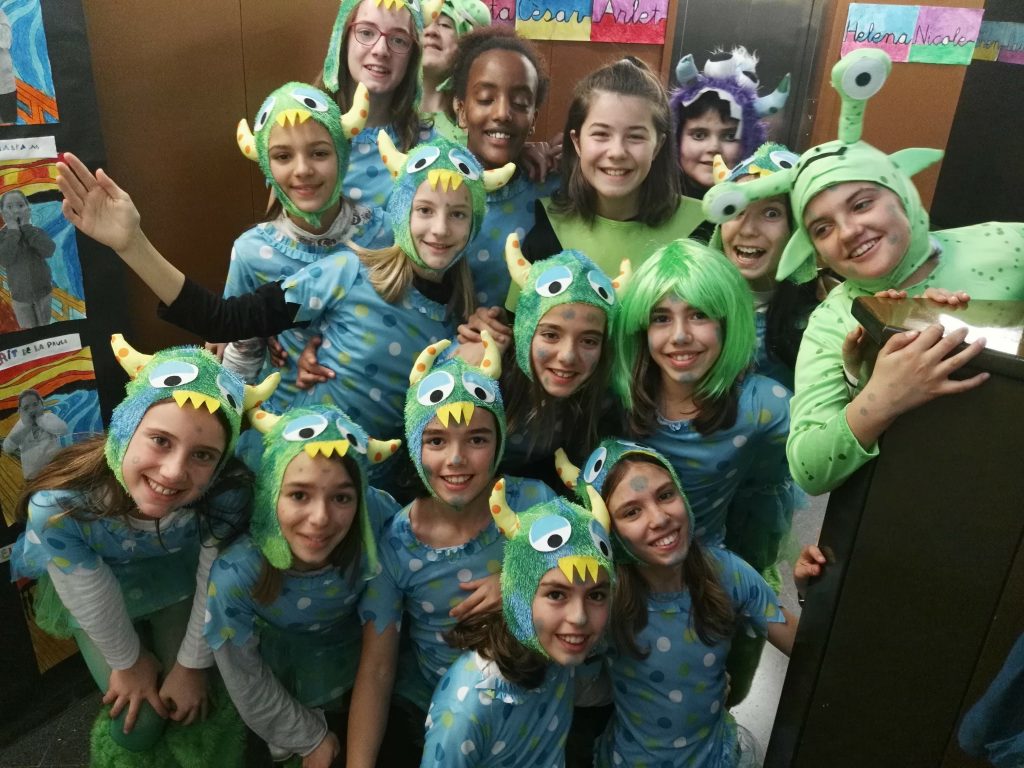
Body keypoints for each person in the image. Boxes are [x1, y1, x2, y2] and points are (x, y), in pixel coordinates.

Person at [702, 48, 1024, 496]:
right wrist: (880, 396)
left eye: (861, 204)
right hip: (906, 508)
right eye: (823, 228)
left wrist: (996, 322)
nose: (850, 231)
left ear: (900, 191)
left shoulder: (1006, 243)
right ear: (813, 249)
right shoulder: (835, 320)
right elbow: (807, 469)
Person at [54, 134, 512, 447]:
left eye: (458, 214)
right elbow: (224, 320)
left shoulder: (462, 315)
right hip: (296, 463)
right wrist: (132, 245)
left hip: (377, 492)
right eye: (424, 209)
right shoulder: (348, 271)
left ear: (473, 226)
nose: (439, 229)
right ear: (400, 213)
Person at [9, 335, 277, 764]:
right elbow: (88, 592)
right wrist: (128, 662)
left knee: (190, 709)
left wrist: (191, 665)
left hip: (175, 577)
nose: (172, 473)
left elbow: (212, 574)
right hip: (96, 590)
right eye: (160, 440)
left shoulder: (225, 495)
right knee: (138, 727)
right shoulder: (60, 508)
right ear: (126, 430)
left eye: (203, 455)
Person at [348, 335, 557, 767]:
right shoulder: (396, 543)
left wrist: (522, 582)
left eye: (476, 440)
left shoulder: (535, 504)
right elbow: (377, 670)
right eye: (437, 441)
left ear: (499, 442)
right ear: (414, 445)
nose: (456, 459)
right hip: (440, 722)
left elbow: (594, 583)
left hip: (536, 708)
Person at [610, 240, 797, 703]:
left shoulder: (762, 403)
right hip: (614, 576)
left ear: (727, 321)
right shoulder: (616, 390)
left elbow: (824, 451)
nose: (679, 335)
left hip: (703, 574)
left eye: (698, 315)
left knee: (711, 689)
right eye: (661, 318)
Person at [562, 439, 797, 767]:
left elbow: (806, 647)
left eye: (665, 495)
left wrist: (818, 595)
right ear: (610, 532)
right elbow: (564, 680)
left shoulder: (726, 572)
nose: (659, 518)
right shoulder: (605, 600)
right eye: (632, 512)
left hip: (716, 754)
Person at [204, 404, 400, 767]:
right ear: (270, 496)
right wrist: (307, 737)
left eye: (341, 497)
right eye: (298, 495)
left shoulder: (377, 520)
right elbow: (244, 677)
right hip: (275, 675)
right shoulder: (235, 573)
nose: (320, 518)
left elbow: (380, 662)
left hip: (359, 658)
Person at [420, 478, 614, 767]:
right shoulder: (467, 707)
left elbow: (596, 690)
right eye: (556, 594)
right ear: (518, 595)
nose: (579, 617)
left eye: (596, 595)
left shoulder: (557, 651)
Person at [220, 80, 385, 408]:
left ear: (342, 156)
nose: (303, 170)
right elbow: (242, 357)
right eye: (283, 156)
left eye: (319, 153)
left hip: (376, 417)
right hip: (285, 422)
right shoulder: (250, 253)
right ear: (267, 166)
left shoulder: (385, 232)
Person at [515, 56, 703, 287]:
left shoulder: (701, 231)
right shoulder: (547, 234)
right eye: (601, 134)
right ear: (577, 142)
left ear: (658, 146)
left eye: (635, 137)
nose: (617, 152)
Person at [461, 237, 627, 482]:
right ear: (525, 332)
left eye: (589, 341)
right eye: (550, 335)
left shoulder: (601, 398)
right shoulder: (480, 369)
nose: (568, 356)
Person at [448, 26, 559, 309]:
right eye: (486, 99)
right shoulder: (433, 186)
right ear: (461, 110)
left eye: (520, 103)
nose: (502, 114)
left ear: (534, 118)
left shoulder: (552, 189)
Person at [710, 142, 820, 390]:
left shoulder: (819, 320)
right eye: (735, 210)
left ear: (798, 229)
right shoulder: (692, 302)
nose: (748, 230)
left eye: (771, 213)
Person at [320, 0, 442, 208]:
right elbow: (279, 221)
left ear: (413, 56)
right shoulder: (305, 124)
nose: (381, 50)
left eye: (399, 40)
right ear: (343, 38)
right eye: (366, 32)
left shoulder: (430, 149)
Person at [671, 47, 788, 242]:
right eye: (699, 135)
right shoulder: (649, 198)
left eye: (729, 136)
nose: (713, 148)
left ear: (750, 142)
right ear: (677, 138)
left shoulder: (766, 202)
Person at [419, 0, 492, 142]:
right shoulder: (385, 112)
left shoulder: (475, 121)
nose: (431, 31)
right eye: (423, 24)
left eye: (444, 25)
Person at [0, 189, 56, 329]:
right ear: (3, 213)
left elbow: (49, 250)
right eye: (9, 207)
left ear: (28, 209)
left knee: (46, 327)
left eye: (20, 205)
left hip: (44, 293)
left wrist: (26, 227)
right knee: (28, 330)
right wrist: (13, 231)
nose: (16, 210)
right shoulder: (2, 236)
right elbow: (4, 259)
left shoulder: (35, 231)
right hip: (20, 298)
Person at [2, 388, 68, 480]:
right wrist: (27, 427)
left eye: (35, 404)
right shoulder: (20, 425)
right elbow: (7, 448)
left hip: (55, 469)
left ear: (41, 404)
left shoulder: (49, 417)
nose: (32, 410)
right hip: (33, 477)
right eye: (26, 408)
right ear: (20, 412)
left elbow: (63, 430)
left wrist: (40, 420)